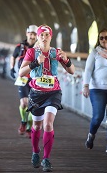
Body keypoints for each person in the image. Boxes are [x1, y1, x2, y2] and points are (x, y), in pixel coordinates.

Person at [19, 25, 75, 172]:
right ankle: (35, 152)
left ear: (51, 36)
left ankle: (46, 159)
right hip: (37, 94)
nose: (44, 37)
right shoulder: (32, 52)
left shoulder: (56, 53)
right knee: (37, 126)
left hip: (53, 93)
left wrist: (66, 59)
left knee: (48, 124)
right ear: (38, 37)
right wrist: (36, 62)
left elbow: (72, 71)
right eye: (41, 35)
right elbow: (21, 72)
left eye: (46, 35)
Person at [10, 25, 38, 138]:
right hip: (23, 78)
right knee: (23, 103)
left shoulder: (40, 48)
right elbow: (13, 56)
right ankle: (23, 121)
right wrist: (11, 68)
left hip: (35, 79)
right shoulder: (20, 47)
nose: (32, 36)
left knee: (32, 104)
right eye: (30, 34)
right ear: (27, 34)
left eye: (34, 34)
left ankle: (29, 127)